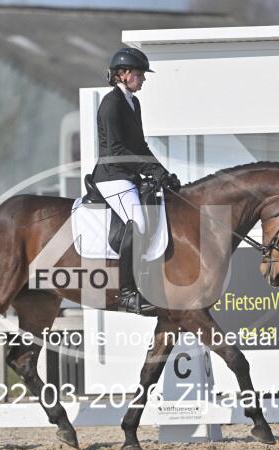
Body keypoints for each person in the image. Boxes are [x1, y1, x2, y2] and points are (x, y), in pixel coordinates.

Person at [91, 47, 179, 314]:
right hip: (112, 176)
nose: (143, 79)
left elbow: (140, 145)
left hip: (127, 175)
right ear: (123, 74)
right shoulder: (111, 104)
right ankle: (127, 293)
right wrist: (150, 170)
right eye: (139, 74)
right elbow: (117, 150)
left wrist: (162, 172)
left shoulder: (133, 103)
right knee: (137, 221)